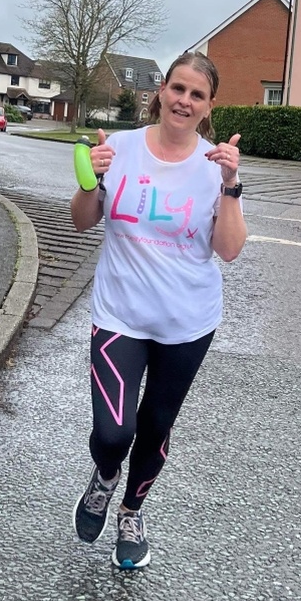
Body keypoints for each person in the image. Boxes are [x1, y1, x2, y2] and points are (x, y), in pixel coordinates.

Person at [69, 52, 247, 570]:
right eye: (177, 89)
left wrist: (232, 187)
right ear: (161, 92)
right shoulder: (117, 148)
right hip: (120, 314)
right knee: (113, 432)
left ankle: (131, 510)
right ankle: (104, 477)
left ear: (209, 106)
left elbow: (230, 249)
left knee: (155, 428)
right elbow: (82, 221)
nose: (184, 101)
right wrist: (90, 181)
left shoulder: (216, 166)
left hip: (187, 323)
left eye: (197, 95)